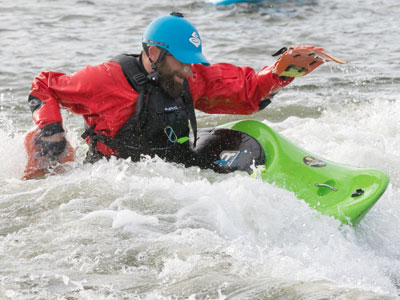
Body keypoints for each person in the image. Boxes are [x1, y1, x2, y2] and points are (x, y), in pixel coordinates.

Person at [24, 12, 342, 179]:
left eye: (192, 60)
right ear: (153, 52)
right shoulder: (106, 79)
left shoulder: (186, 74)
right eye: (182, 60)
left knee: (246, 146)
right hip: (113, 178)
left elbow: (242, 89)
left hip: (171, 169)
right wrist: (51, 130)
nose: (190, 69)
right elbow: (45, 85)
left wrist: (280, 73)